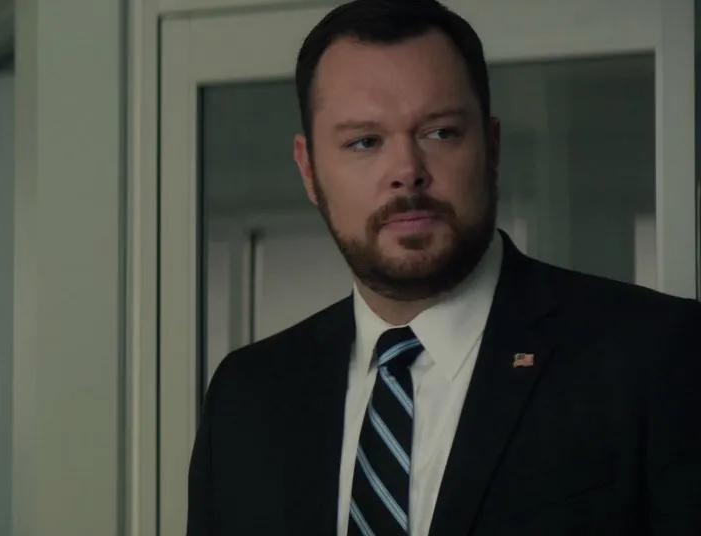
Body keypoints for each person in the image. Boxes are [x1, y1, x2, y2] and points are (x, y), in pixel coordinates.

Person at [186, 1, 701, 535]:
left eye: (441, 133)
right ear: (308, 169)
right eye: (364, 141)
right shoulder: (247, 398)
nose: (407, 171)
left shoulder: (657, 356)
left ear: (492, 148)